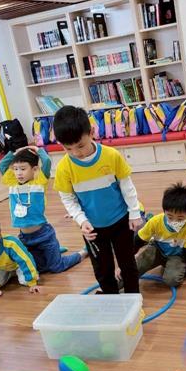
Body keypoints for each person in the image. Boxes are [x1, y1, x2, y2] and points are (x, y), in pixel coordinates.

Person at [53, 105, 142, 294]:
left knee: (127, 264)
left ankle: (134, 298)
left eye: (80, 146)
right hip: (92, 228)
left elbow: (127, 186)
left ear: (92, 132)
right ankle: (111, 299)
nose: (76, 153)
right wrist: (81, 220)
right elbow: (68, 198)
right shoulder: (63, 168)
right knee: (102, 269)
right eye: (68, 148)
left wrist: (134, 213)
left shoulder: (111, 155)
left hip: (121, 221)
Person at [0, 145, 86, 274]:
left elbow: (47, 161)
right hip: (25, 238)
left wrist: (36, 149)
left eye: (23, 169)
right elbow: (1, 165)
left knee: (56, 267)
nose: (19, 173)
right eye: (15, 169)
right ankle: (54, 252)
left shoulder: (39, 182)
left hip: (44, 235)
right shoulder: (12, 182)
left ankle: (82, 253)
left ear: (34, 169)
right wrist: (15, 152)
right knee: (38, 268)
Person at [134, 183, 186, 287]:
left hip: (177, 256)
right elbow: (138, 240)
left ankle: (170, 266)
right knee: (133, 268)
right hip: (157, 249)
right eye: (170, 217)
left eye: (180, 218)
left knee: (172, 280)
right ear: (164, 211)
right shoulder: (155, 221)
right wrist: (126, 261)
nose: (174, 221)